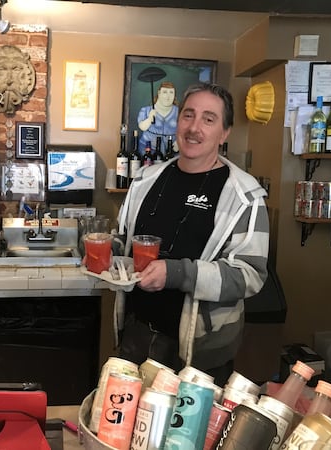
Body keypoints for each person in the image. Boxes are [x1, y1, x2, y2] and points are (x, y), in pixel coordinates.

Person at [115, 82, 269, 387]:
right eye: (188, 115)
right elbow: (123, 239)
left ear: (224, 133)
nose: (194, 127)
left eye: (208, 119)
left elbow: (249, 275)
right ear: (177, 122)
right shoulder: (146, 179)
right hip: (136, 336)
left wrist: (177, 274)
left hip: (201, 352)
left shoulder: (245, 195)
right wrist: (108, 249)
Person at [137, 81, 178, 155]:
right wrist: (149, 119)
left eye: (171, 92)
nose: (168, 96)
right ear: (159, 93)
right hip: (148, 151)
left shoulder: (179, 112)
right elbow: (142, 127)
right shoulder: (146, 110)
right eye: (165, 92)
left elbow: (186, 129)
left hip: (171, 152)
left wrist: (179, 142)